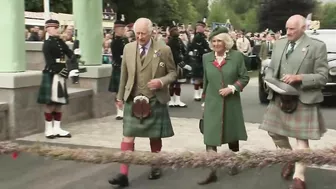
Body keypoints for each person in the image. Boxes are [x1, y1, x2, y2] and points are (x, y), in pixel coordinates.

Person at [259, 15, 328, 189]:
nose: (288, 32)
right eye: (287, 28)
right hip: (280, 97)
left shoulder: (316, 47)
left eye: (292, 29)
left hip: (303, 98)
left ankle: (299, 178)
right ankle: (290, 158)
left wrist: (299, 77)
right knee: (274, 133)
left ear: (303, 28)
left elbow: (322, 77)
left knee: (301, 140)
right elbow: (272, 68)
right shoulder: (279, 44)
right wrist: (269, 79)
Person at [108, 17, 177, 187]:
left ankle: (155, 165)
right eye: (137, 33)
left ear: (151, 32)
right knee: (128, 135)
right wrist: (119, 96)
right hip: (133, 98)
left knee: (154, 135)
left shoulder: (164, 49)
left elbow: (173, 73)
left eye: (143, 34)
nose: (139, 37)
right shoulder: (128, 48)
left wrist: (161, 81)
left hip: (154, 99)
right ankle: (123, 174)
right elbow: (124, 75)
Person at [199, 27, 249, 185]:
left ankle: (232, 162)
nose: (215, 44)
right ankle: (211, 170)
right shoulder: (206, 57)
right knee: (210, 136)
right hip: (212, 102)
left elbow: (245, 77)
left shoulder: (237, 57)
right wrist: (204, 100)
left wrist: (232, 88)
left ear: (226, 42)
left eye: (219, 40)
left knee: (231, 134)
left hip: (231, 102)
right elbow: (205, 80)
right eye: (213, 41)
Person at [37, 19, 79, 139]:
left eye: (57, 27)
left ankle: (57, 128)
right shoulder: (47, 43)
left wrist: (75, 54)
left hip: (61, 74)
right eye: (54, 28)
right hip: (52, 74)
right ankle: (48, 129)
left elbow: (69, 53)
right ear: (48, 29)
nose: (57, 29)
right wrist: (61, 70)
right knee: (50, 103)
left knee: (59, 103)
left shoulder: (60, 41)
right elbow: (49, 62)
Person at [108, 17, 129, 120]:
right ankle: (119, 111)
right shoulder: (114, 42)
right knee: (118, 91)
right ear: (116, 29)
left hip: (126, 67)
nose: (123, 30)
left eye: (123, 28)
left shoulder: (125, 40)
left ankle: (125, 109)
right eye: (121, 28)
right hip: (118, 67)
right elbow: (118, 56)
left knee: (126, 90)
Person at [167, 22, 192, 107]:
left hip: (180, 65)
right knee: (172, 83)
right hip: (173, 65)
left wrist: (186, 58)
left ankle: (177, 100)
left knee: (178, 84)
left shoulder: (179, 40)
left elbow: (183, 51)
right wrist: (183, 65)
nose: (176, 31)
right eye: (174, 30)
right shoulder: (170, 42)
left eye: (176, 30)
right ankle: (171, 100)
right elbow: (174, 55)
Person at [188, 19, 211, 101]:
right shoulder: (196, 37)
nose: (200, 28)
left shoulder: (203, 37)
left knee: (202, 78)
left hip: (203, 59)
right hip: (197, 60)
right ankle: (196, 93)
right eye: (199, 27)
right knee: (197, 78)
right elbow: (191, 48)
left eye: (201, 27)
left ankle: (201, 93)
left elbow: (207, 48)